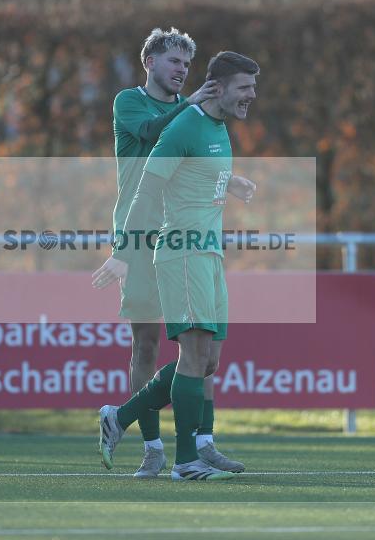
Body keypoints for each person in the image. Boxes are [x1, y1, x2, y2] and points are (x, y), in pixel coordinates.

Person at [94, 51, 259, 481]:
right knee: (186, 351)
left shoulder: (218, 126)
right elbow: (147, 189)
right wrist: (124, 251)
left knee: (208, 361)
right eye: (245, 87)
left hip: (210, 253)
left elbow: (199, 174)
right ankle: (185, 460)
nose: (252, 96)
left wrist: (230, 182)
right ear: (219, 88)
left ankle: (123, 416)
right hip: (180, 252)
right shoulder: (183, 121)